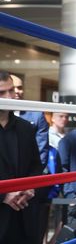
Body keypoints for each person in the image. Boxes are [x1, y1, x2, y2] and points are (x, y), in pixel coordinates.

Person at [0, 71, 43, 244]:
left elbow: (35, 166)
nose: (9, 96)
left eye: (11, 91)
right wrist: (4, 195)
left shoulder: (26, 128)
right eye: (2, 93)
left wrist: (31, 189)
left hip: (24, 218)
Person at [12, 75, 50, 169]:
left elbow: (42, 149)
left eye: (20, 88)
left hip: (28, 174)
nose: (17, 91)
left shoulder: (36, 115)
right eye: (13, 88)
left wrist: (33, 175)